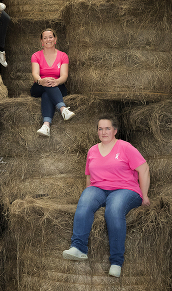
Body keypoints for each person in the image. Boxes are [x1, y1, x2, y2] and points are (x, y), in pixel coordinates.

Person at [62, 115, 150, 278]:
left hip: (125, 189)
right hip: (99, 188)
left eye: (107, 128)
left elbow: (143, 169)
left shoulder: (125, 147)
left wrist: (144, 195)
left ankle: (116, 261)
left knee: (114, 210)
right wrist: (89, 192)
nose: (104, 132)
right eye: (100, 129)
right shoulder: (92, 150)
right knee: (85, 201)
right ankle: (78, 248)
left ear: (115, 131)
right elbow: (88, 175)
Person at [31, 28, 74, 136]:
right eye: (45, 38)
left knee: (47, 94)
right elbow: (35, 74)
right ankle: (63, 109)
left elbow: (64, 75)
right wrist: (42, 81)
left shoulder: (63, 56)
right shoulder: (36, 56)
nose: (48, 39)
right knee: (47, 85)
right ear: (41, 41)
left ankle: (46, 125)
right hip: (39, 86)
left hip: (58, 86)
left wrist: (57, 81)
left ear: (55, 39)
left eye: (50, 37)